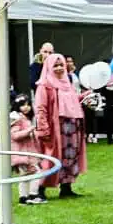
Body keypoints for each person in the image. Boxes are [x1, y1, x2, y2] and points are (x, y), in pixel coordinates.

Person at [35, 53, 87, 198]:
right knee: (50, 158)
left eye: (61, 65)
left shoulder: (67, 84)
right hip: (55, 128)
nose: (59, 68)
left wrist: (84, 96)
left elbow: (71, 101)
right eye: (55, 65)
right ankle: (39, 189)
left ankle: (66, 187)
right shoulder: (44, 86)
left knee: (70, 156)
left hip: (72, 126)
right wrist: (43, 128)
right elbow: (41, 108)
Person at [10, 94, 47, 204]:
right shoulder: (16, 119)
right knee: (36, 173)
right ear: (17, 106)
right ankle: (33, 195)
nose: (26, 107)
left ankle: (23, 198)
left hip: (28, 153)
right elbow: (15, 135)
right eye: (23, 105)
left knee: (25, 176)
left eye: (28, 105)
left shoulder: (25, 118)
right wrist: (29, 130)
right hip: (22, 154)